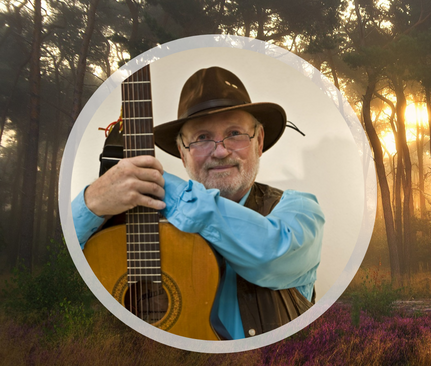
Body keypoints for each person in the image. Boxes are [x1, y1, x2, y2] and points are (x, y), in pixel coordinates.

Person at [71, 66, 325, 339]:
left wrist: (157, 182)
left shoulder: (300, 211)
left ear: (259, 141)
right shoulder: (139, 223)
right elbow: (58, 266)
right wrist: (91, 202)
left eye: (235, 133)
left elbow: (269, 255)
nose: (220, 151)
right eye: (203, 138)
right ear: (183, 152)